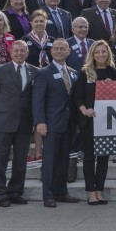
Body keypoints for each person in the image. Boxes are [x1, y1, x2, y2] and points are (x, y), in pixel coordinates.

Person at [0, 40, 32, 207]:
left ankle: (15, 192)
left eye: (23, 51)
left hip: (25, 123)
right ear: (11, 52)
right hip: (3, 121)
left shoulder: (34, 71)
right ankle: (0, 193)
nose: (19, 53)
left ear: (27, 53)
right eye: (16, 51)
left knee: (20, 161)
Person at [34, 38, 79, 207]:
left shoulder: (74, 72)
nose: (59, 51)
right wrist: (40, 121)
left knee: (63, 159)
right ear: (51, 52)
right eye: (56, 49)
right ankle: (48, 195)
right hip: (51, 124)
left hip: (69, 124)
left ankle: (62, 192)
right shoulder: (43, 73)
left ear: (69, 51)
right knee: (50, 160)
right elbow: (38, 100)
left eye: (62, 49)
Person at [75, 43, 116, 204]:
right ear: (92, 54)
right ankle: (91, 192)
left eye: (103, 52)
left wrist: (113, 86)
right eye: (97, 52)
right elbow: (77, 97)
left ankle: (99, 190)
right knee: (89, 157)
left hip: (107, 122)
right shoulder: (85, 72)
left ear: (108, 54)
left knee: (104, 158)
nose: (100, 55)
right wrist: (84, 110)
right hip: (89, 122)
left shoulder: (114, 72)